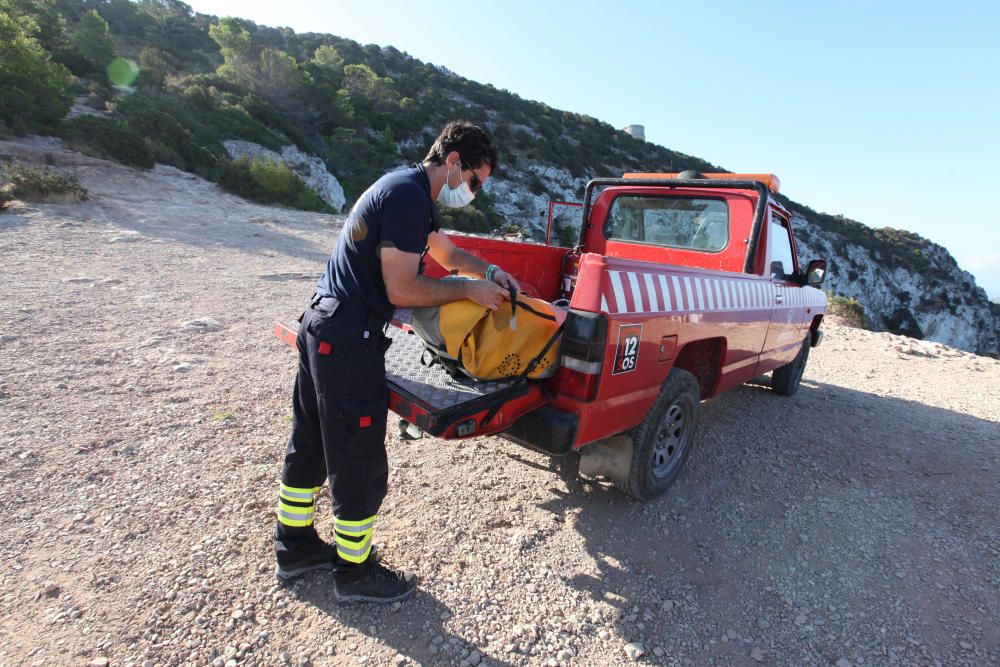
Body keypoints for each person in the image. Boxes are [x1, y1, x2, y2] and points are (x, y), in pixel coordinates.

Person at [274, 120, 519, 603]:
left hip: (322, 323)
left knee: (313, 442)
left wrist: (488, 271)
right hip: (347, 337)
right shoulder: (409, 197)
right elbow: (402, 289)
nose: (473, 192)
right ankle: (355, 572)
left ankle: (295, 546)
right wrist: (470, 291)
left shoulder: (406, 188)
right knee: (358, 457)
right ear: (453, 162)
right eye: (474, 182)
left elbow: (445, 252)